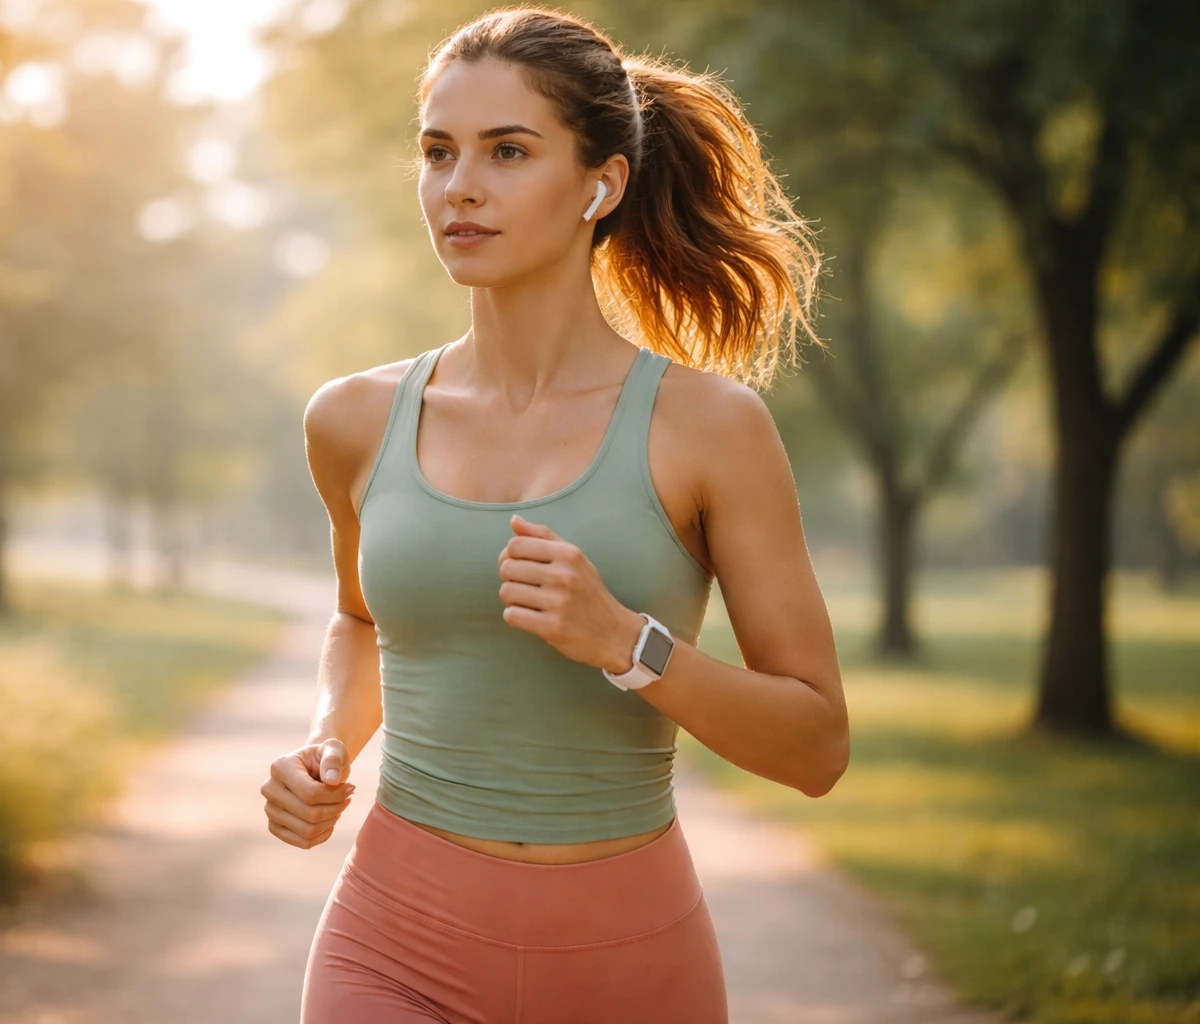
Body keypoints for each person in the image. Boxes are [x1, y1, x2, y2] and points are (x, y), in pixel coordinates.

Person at [259, 7, 847, 1022]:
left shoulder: (708, 428)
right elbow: (362, 621)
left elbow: (816, 745)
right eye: (437, 153)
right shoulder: (354, 420)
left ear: (600, 184)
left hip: (630, 962)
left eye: (509, 151)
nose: (460, 187)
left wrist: (627, 641)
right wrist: (327, 745)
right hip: (394, 945)